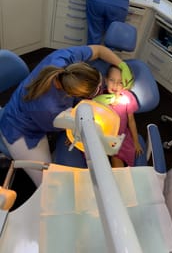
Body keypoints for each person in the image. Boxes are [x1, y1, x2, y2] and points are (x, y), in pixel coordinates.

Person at [0, 45, 133, 187]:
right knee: (49, 185)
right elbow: (71, 127)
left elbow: (100, 50)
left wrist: (122, 65)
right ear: (71, 94)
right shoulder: (50, 109)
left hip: (22, 102)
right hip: (20, 129)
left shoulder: (65, 60)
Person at [95, 64, 143, 167]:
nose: (115, 85)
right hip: (100, 134)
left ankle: (117, 180)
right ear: (106, 80)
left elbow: (131, 121)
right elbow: (88, 115)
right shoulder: (99, 97)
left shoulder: (128, 98)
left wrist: (136, 141)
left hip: (119, 136)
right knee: (96, 160)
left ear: (125, 84)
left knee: (118, 163)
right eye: (112, 80)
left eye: (120, 82)